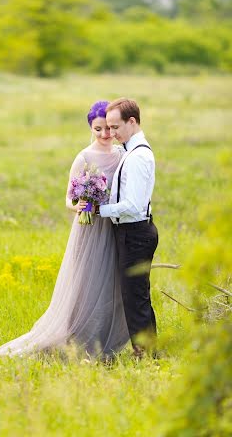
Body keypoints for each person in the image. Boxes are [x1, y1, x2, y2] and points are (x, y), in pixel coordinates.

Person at [0, 101, 130, 359]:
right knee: (86, 284)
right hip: (89, 231)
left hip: (113, 228)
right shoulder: (84, 157)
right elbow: (68, 198)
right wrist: (78, 205)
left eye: (108, 129)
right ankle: (77, 338)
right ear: (91, 128)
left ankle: (105, 340)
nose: (104, 135)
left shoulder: (122, 156)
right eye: (97, 129)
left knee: (110, 283)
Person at [98, 98, 158, 358]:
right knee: (134, 294)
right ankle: (146, 349)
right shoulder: (130, 151)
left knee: (136, 297)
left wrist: (101, 210)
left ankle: (146, 353)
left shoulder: (138, 156)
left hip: (135, 233)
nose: (111, 133)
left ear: (132, 122)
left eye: (115, 127)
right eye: (107, 127)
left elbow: (133, 205)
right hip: (132, 233)